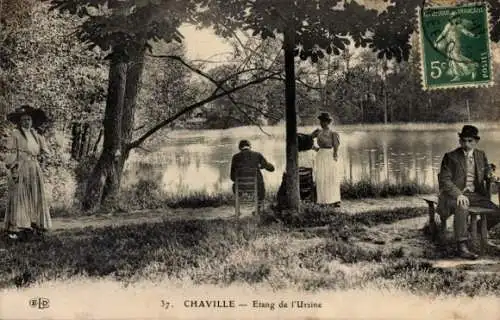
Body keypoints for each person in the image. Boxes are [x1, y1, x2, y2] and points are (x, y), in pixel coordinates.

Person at [437, 125, 500, 259]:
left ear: (476, 141)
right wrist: (458, 194)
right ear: (460, 141)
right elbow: (445, 180)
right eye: (463, 140)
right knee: (462, 205)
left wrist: (490, 175)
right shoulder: (450, 157)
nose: (466, 144)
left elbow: (485, 171)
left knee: (497, 211)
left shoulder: (480, 155)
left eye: (470, 141)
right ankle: (462, 246)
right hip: (452, 195)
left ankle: (473, 229)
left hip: (475, 195)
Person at [2, 105, 52, 240]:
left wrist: (41, 164)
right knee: (20, 195)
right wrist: (13, 168)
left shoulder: (36, 135)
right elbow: (10, 153)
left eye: (29, 119)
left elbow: (46, 153)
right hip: (21, 167)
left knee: (34, 194)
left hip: (34, 168)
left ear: (32, 121)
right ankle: (18, 227)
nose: (26, 122)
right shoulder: (15, 135)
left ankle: (34, 224)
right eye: (23, 120)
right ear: (19, 121)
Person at [433, 12, 479, 82]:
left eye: (456, 17)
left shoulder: (459, 26)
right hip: (450, 45)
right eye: (453, 18)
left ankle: (471, 68)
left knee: (456, 57)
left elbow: (466, 32)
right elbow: (443, 34)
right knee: (452, 60)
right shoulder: (448, 25)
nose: (455, 19)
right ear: (451, 19)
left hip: (456, 44)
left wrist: (474, 35)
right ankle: (458, 75)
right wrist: (436, 41)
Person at [230, 140, 275, 210]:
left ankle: (238, 210)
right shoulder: (257, 155)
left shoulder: (235, 157)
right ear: (250, 147)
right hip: (256, 187)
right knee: (261, 186)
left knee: (234, 185)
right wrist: (262, 166)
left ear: (239, 148)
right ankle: (258, 209)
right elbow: (272, 169)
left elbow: (232, 177)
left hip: (240, 187)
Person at [311, 112, 341, 206]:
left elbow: (336, 145)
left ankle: (334, 200)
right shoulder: (318, 132)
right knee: (321, 177)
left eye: (324, 121)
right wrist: (313, 147)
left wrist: (335, 155)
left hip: (329, 155)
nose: (322, 123)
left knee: (331, 176)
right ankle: (322, 200)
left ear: (328, 122)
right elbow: (308, 138)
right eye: (321, 121)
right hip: (320, 155)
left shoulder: (333, 133)